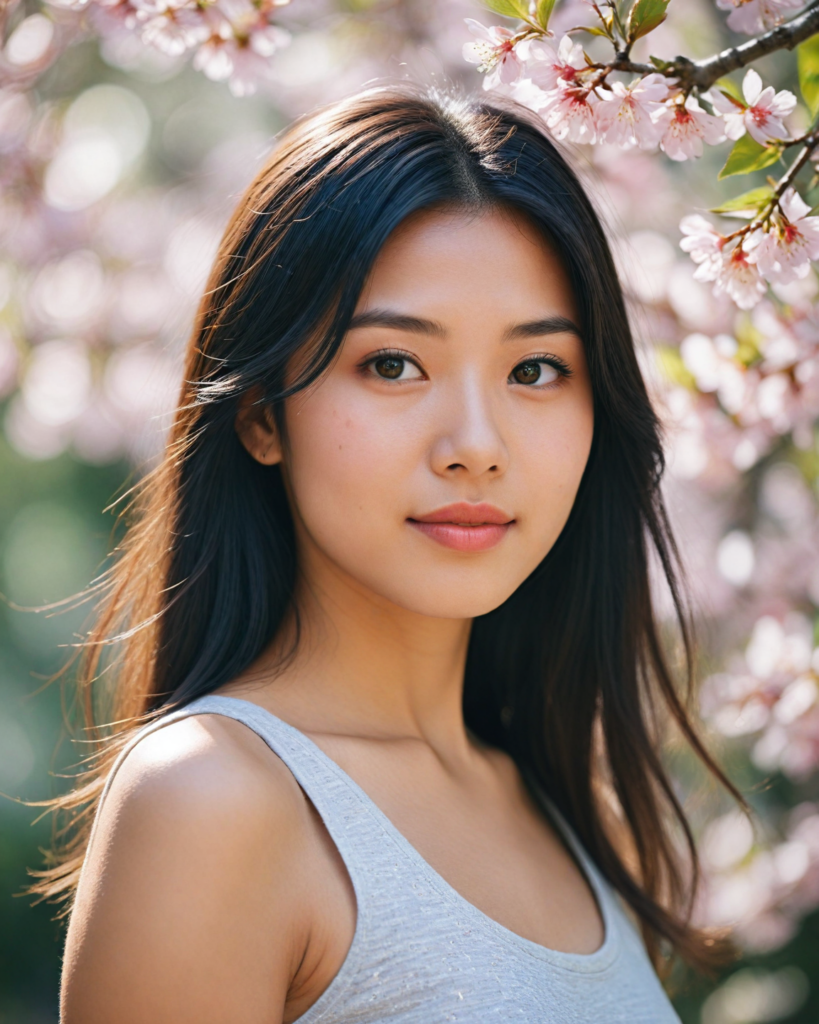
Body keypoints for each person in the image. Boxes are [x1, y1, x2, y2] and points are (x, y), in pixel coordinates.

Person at [41, 85, 736, 1023]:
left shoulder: (562, 807)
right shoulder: (213, 801)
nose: (475, 445)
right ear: (260, 414)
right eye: (393, 364)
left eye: (534, 370)